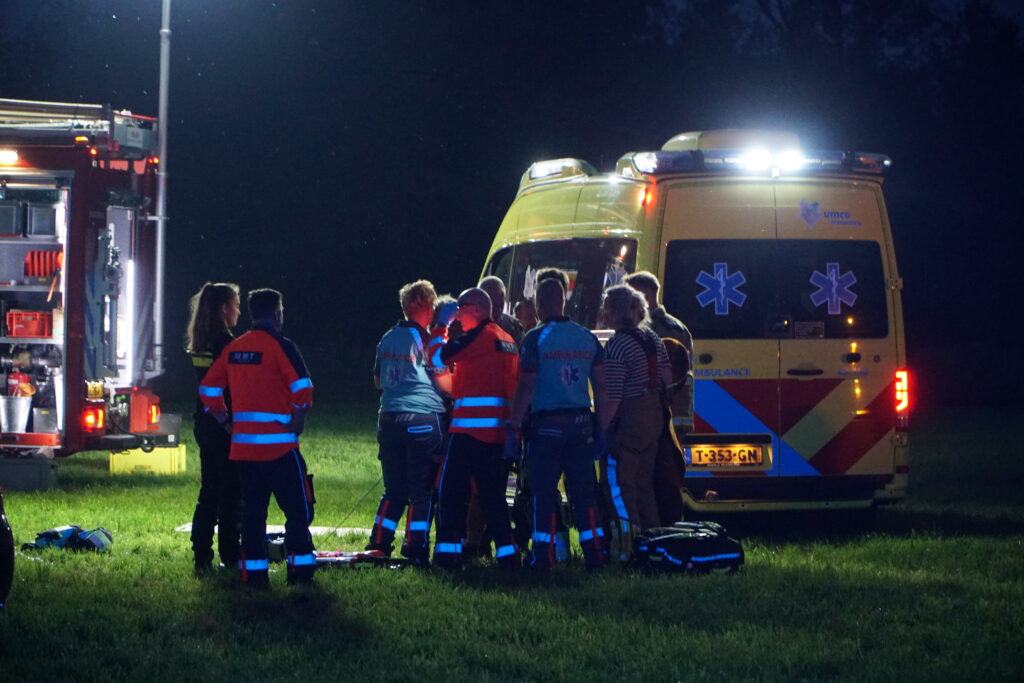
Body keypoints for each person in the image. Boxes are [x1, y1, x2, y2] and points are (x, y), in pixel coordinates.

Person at [199, 289, 316, 586]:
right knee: (298, 511)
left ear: (252, 313)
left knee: (253, 513)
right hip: (279, 447)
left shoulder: (235, 348)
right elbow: (303, 387)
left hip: (244, 450)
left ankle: (254, 574)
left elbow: (208, 390)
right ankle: (301, 573)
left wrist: (226, 422)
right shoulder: (281, 346)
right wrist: (298, 419)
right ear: (276, 313)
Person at [507, 275, 608, 570]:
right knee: (585, 494)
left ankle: (544, 557)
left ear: (539, 304)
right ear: (563, 301)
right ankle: (595, 555)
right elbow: (601, 387)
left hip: (546, 427)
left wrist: (513, 428)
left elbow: (526, 385)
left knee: (544, 495)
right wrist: (601, 429)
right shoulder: (586, 337)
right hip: (581, 425)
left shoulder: (535, 339)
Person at [429, 287, 520, 570]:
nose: (457, 315)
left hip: (469, 431)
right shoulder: (506, 339)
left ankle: (447, 555)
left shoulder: (479, 336)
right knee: (492, 496)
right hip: (495, 433)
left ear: (477, 309)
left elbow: (438, 357)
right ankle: (508, 557)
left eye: (462, 308)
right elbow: (462, 384)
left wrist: (440, 326)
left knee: (450, 492)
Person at [368, 280, 452, 565]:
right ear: (427, 305)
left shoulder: (387, 338)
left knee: (394, 490)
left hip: (389, 418)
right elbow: (442, 376)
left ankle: (379, 543)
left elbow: (378, 380)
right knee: (421, 491)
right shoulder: (427, 340)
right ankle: (416, 547)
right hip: (423, 419)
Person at [599, 284, 672, 556]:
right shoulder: (652, 338)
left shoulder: (617, 345)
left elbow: (614, 396)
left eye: (606, 308)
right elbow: (667, 377)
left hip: (630, 419)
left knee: (619, 485)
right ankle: (655, 543)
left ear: (616, 311)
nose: (603, 313)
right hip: (654, 415)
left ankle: (627, 546)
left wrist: (601, 430)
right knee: (644, 485)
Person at [186, 282, 243, 574]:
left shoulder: (201, 340)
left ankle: (201, 556)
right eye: (236, 305)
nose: (239, 311)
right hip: (223, 424)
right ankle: (230, 555)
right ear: (224, 308)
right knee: (232, 492)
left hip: (204, 422)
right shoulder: (226, 343)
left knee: (209, 491)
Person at [624, 271, 693, 437]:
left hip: (665, 416)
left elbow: (669, 376)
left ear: (645, 297)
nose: (627, 304)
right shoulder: (667, 327)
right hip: (660, 414)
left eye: (630, 298)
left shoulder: (667, 330)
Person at [478, 276, 524, 345]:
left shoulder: (513, 326)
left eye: (501, 305)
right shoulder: (470, 325)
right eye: (492, 305)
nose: (497, 310)